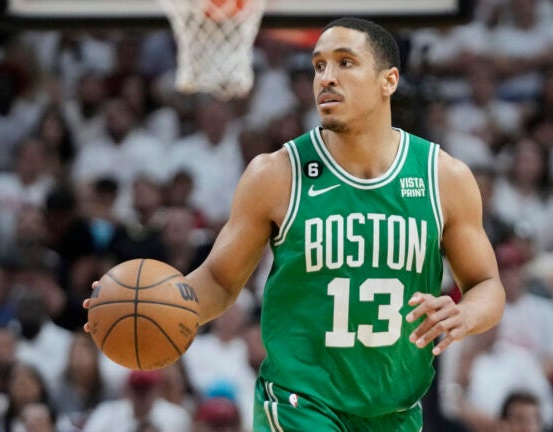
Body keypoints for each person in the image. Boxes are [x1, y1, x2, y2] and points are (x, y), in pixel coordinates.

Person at [84, 17, 505, 431]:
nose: (326, 77)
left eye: (345, 62)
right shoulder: (277, 174)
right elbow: (219, 279)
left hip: (393, 410)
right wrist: (149, 305)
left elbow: (487, 285)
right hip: (298, 403)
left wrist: (466, 314)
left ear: (388, 80)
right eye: (319, 65)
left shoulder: (442, 177)